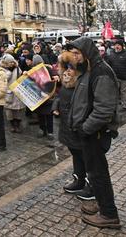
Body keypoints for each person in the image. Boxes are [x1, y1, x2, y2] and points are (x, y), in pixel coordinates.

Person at [65, 38, 121, 229]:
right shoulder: (89, 70)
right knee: (95, 172)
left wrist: (85, 128)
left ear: (87, 53)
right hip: (88, 132)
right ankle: (101, 202)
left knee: (98, 173)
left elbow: (104, 109)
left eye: (77, 53)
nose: (74, 57)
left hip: (95, 133)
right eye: (73, 53)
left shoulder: (101, 72)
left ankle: (108, 214)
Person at [52, 50, 88, 195]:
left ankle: (88, 183)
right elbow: (59, 97)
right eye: (65, 68)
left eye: (70, 68)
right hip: (66, 124)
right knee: (75, 153)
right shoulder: (66, 84)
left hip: (78, 125)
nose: (67, 71)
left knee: (85, 155)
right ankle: (78, 179)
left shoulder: (82, 84)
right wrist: (56, 107)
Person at [104, 39, 126, 111]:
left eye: (118, 45)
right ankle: (114, 106)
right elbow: (108, 66)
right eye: (115, 45)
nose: (117, 46)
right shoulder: (111, 55)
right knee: (114, 92)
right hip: (115, 77)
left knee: (124, 92)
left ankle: (125, 106)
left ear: (122, 46)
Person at [2, 54, 25, 133]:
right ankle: (12, 125)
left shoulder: (18, 68)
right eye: (9, 62)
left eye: (12, 62)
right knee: (9, 111)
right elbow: (4, 80)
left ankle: (17, 125)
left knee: (18, 111)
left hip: (18, 92)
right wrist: (9, 72)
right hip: (8, 93)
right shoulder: (2, 70)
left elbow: (21, 77)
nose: (11, 64)